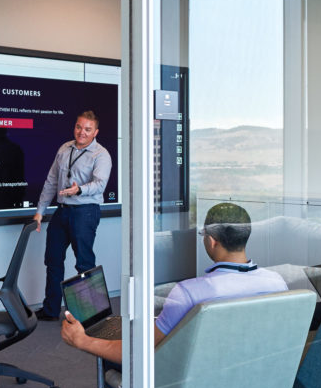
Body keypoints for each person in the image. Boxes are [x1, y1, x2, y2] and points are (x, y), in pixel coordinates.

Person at [59, 202, 287, 364]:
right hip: (255, 376)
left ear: (211, 240)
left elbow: (139, 353)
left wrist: (83, 341)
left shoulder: (189, 293)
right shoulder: (277, 284)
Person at [34, 111, 113, 321]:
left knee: (84, 264)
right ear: (74, 127)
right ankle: (50, 310)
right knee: (53, 260)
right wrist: (40, 212)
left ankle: (90, 316)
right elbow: (51, 181)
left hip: (85, 212)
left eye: (87, 129)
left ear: (95, 132)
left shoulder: (101, 155)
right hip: (62, 212)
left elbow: (100, 185)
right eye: (79, 127)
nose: (82, 132)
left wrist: (79, 190)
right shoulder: (64, 148)